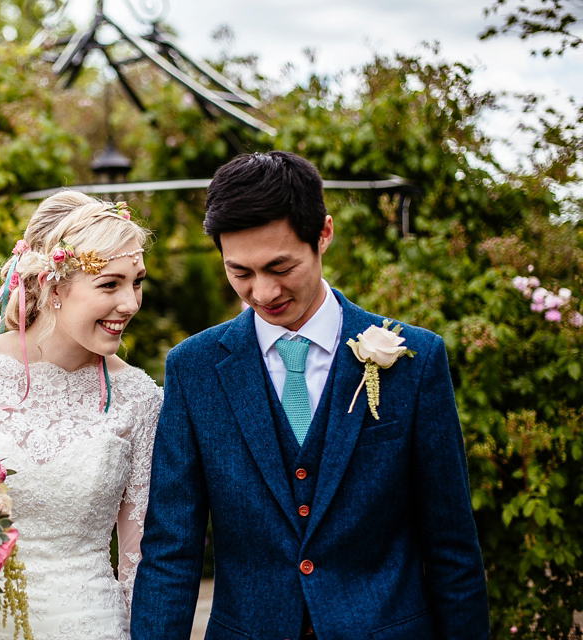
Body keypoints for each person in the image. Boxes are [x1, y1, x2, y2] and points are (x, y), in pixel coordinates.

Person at [131, 151, 490, 640]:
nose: (262, 292)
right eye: (240, 272)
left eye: (281, 266)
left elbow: (451, 547)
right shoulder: (193, 369)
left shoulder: (416, 359)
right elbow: (172, 550)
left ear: (323, 234)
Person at [0, 190, 162, 640]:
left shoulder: (138, 398)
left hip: (89, 624)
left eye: (137, 281)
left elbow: (139, 558)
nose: (130, 303)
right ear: (52, 287)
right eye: (110, 284)